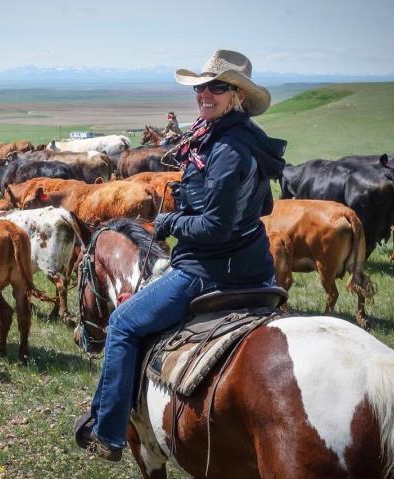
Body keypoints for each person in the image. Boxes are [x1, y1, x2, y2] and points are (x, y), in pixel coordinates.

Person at [76, 49, 287, 461]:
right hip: (255, 269)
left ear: (237, 96)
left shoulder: (226, 150)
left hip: (208, 270)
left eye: (216, 87)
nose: (205, 94)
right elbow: (264, 208)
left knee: (121, 323)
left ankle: (109, 432)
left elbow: (214, 228)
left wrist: (172, 224)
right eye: (201, 87)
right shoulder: (241, 141)